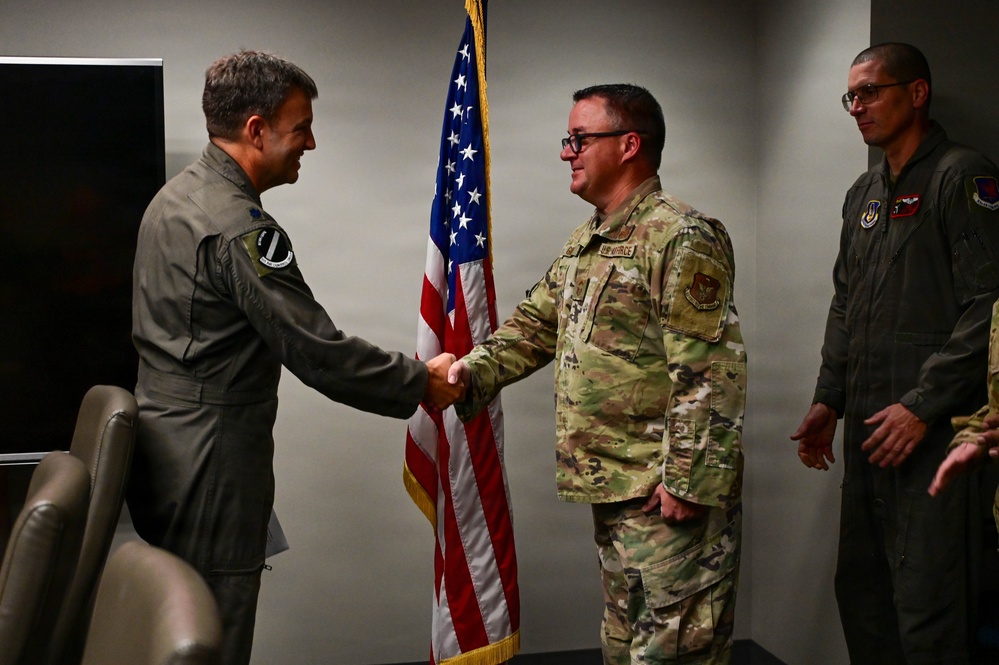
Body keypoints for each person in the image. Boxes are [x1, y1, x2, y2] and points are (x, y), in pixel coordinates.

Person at [127, 50, 462, 665]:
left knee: (172, 627)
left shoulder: (174, 198)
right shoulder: (241, 229)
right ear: (257, 129)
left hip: (167, 449)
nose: (311, 141)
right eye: (301, 126)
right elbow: (315, 350)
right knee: (210, 635)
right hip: (213, 465)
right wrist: (419, 381)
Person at [447, 84, 746, 664]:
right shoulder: (591, 241)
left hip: (666, 502)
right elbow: (534, 328)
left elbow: (711, 374)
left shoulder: (680, 234)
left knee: (675, 654)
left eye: (580, 138)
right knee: (622, 650)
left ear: (629, 144)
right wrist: (464, 374)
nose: (567, 152)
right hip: (617, 495)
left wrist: (685, 482)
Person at [791, 42, 999, 664]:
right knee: (864, 595)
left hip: (936, 435)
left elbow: (991, 307)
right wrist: (830, 398)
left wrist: (922, 405)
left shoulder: (962, 176)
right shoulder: (865, 194)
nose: (856, 107)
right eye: (850, 96)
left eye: (870, 92)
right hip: (870, 431)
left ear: (917, 93)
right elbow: (844, 304)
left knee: (930, 604)